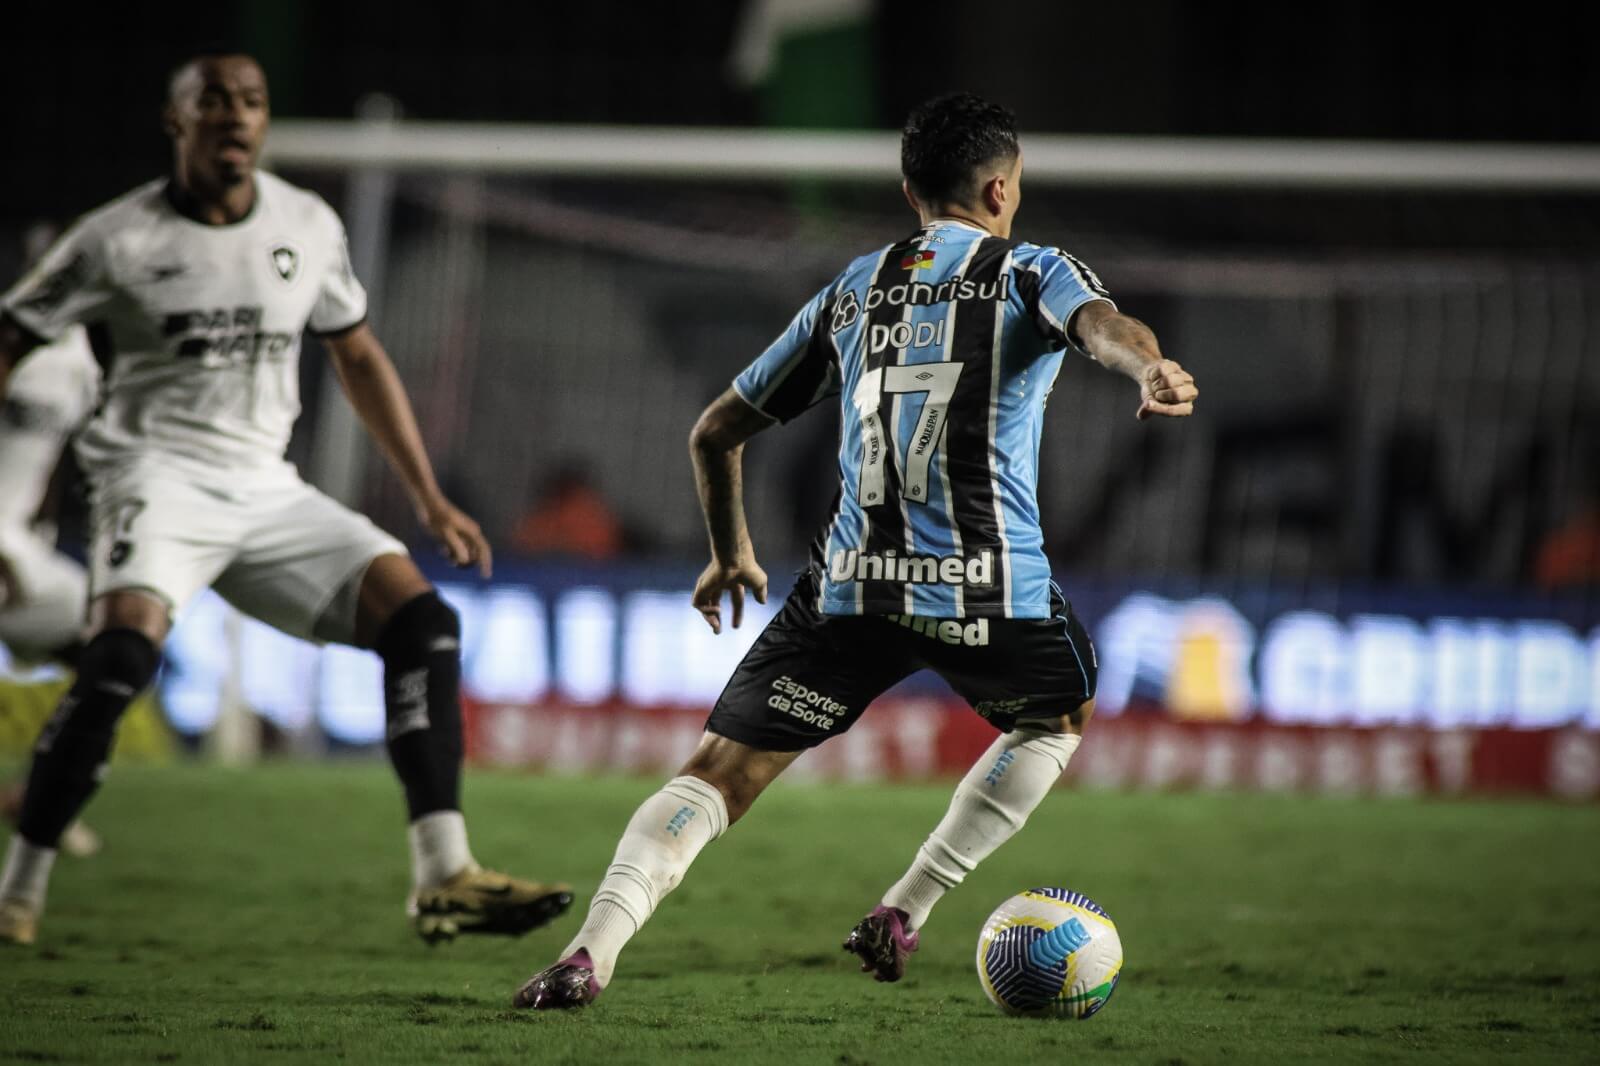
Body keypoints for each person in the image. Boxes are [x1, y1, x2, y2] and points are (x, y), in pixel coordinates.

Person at [514, 92, 1198, 1009]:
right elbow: (1100, 326)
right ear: (1001, 189)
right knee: (1056, 714)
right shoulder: (1028, 268)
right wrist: (1148, 365)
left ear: (910, 189)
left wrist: (728, 552)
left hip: (850, 589)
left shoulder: (854, 287)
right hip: (986, 590)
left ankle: (590, 953)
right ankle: (907, 906)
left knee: (716, 775)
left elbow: (714, 432)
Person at [0, 52, 571, 947]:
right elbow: (10, 334)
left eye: (252, 102)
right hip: (154, 478)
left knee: (424, 625)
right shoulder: (114, 239)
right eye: (213, 101)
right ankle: (18, 891)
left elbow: (357, 353)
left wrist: (427, 497)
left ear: (266, 123)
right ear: (175, 121)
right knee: (116, 666)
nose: (235, 115)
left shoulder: (306, 222)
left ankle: (444, 874)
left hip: (269, 490)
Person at [0, 223, 102, 859]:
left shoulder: (81, 357)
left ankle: (41, 798)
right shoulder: (8, 341)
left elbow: (56, 457)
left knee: (116, 648)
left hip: (21, 541)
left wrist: (38, 533)